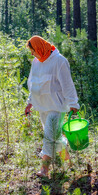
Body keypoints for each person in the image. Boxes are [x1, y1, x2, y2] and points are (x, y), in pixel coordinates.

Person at [24, 35, 80, 178]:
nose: (32, 54)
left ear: (40, 48)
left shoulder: (59, 61)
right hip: (42, 106)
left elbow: (67, 84)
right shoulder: (36, 62)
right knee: (54, 136)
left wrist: (73, 103)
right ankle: (69, 163)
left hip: (57, 106)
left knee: (49, 136)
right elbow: (34, 84)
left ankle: (44, 170)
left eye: (33, 50)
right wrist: (30, 102)